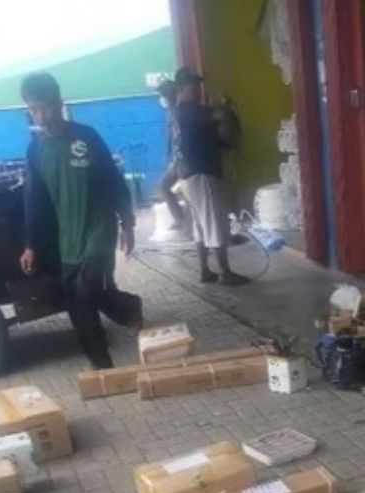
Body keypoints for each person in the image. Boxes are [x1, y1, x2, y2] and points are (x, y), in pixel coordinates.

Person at [19, 72, 142, 369]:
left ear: (59, 103)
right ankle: (122, 321)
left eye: (45, 107)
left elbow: (113, 181)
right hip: (68, 238)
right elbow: (35, 200)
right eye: (34, 109)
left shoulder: (86, 138)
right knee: (76, 300)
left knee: (86, 291)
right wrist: (31, 244)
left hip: (99, 228)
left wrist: (127, 223)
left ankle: (104, 365)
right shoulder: (36, 150)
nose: (41, 116)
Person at [172, 67, 245, 286]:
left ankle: (205, 270)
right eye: (193, 86)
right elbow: (217, 118)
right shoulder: (192, 112)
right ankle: (225, 273)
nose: (198, 89)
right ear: (181, 88)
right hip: (201, 173)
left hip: (187, 175)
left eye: (198, 85)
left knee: (200, 226)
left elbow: (216, 139)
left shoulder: (179, 113)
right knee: (214, 222)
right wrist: (223, 106)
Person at [156, 79, 186, 229]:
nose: (162, 98)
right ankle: (181, 219)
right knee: (164, 187)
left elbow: (179, 138)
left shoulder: (177, 112)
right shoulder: (173, 112)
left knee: (165, 186)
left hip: (182, 161)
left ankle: (183, 220)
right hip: (178, 160)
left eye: (163, 95)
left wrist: (175, 160)